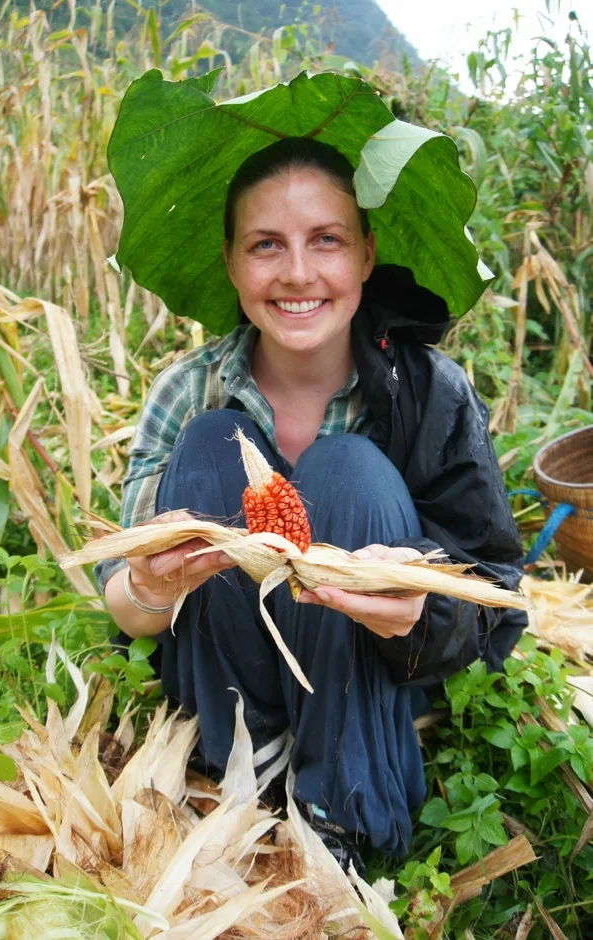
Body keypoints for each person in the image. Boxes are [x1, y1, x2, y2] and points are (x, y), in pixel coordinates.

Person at [96, 136, 526, 867]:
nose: (297, 273)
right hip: (223, 685)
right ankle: (240, 769)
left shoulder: (433, 396)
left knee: (347, 472)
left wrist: (421, 611)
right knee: (213, 443)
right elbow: (123, 605)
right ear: (230, 262)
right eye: (265, 245)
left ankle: (345, 817)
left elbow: (493, 604)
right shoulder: (187, 390)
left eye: (325, 240)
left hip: (364, 690)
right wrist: (147, 584)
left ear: (365, 254)